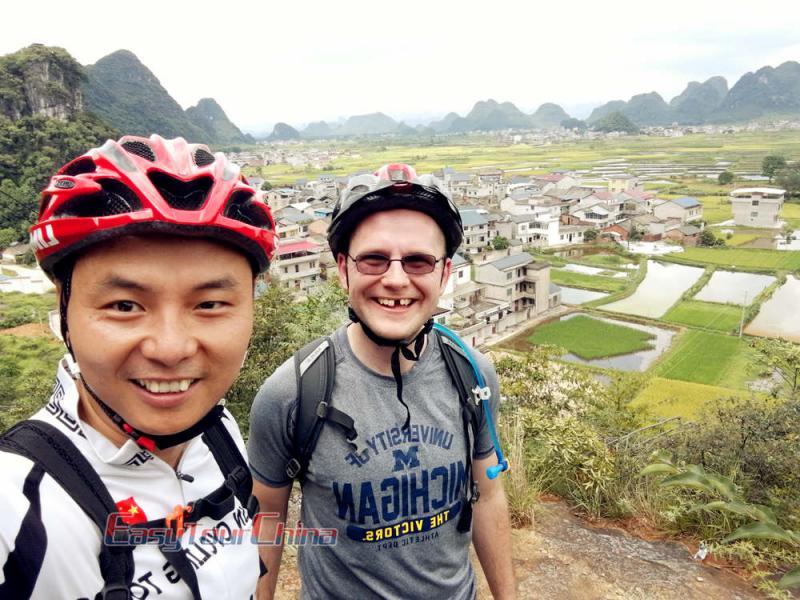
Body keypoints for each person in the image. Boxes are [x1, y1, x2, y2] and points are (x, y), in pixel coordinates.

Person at [0, 135, 277, 599]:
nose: (170, 349)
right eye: (125, 305)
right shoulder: (15, 505)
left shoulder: (220, 432)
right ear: (64, 309)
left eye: (210, 303)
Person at [248, 164, 516, 599]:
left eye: (418, 260)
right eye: (374, 259)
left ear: (444, 273)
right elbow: (267, 519)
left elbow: (487, 495)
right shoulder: (292, 393)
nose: (395, 278)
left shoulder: (472, 374)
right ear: (343, 269)